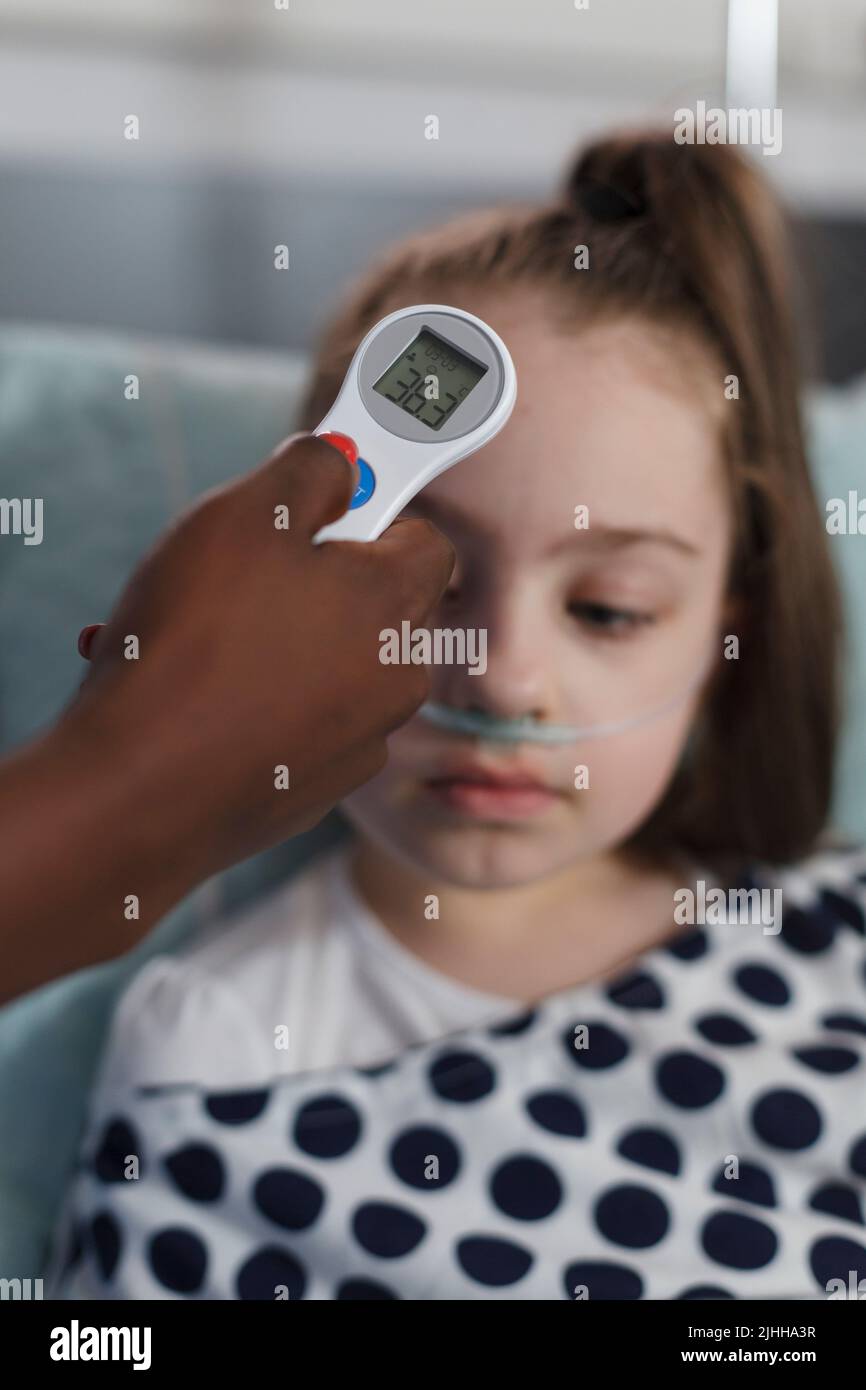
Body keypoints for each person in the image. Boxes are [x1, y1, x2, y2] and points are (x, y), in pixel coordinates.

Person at [49, 132, 866, 1301]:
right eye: (429, 582)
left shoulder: (837, 956)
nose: (500, 677)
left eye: (608, 607)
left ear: (725, 639)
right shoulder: (214, 1053)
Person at [0, 433, 454, 1002]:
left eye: (601, 610)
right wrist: (139, 778)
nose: (507, 683)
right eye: (440, 601)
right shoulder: (209, 1018)